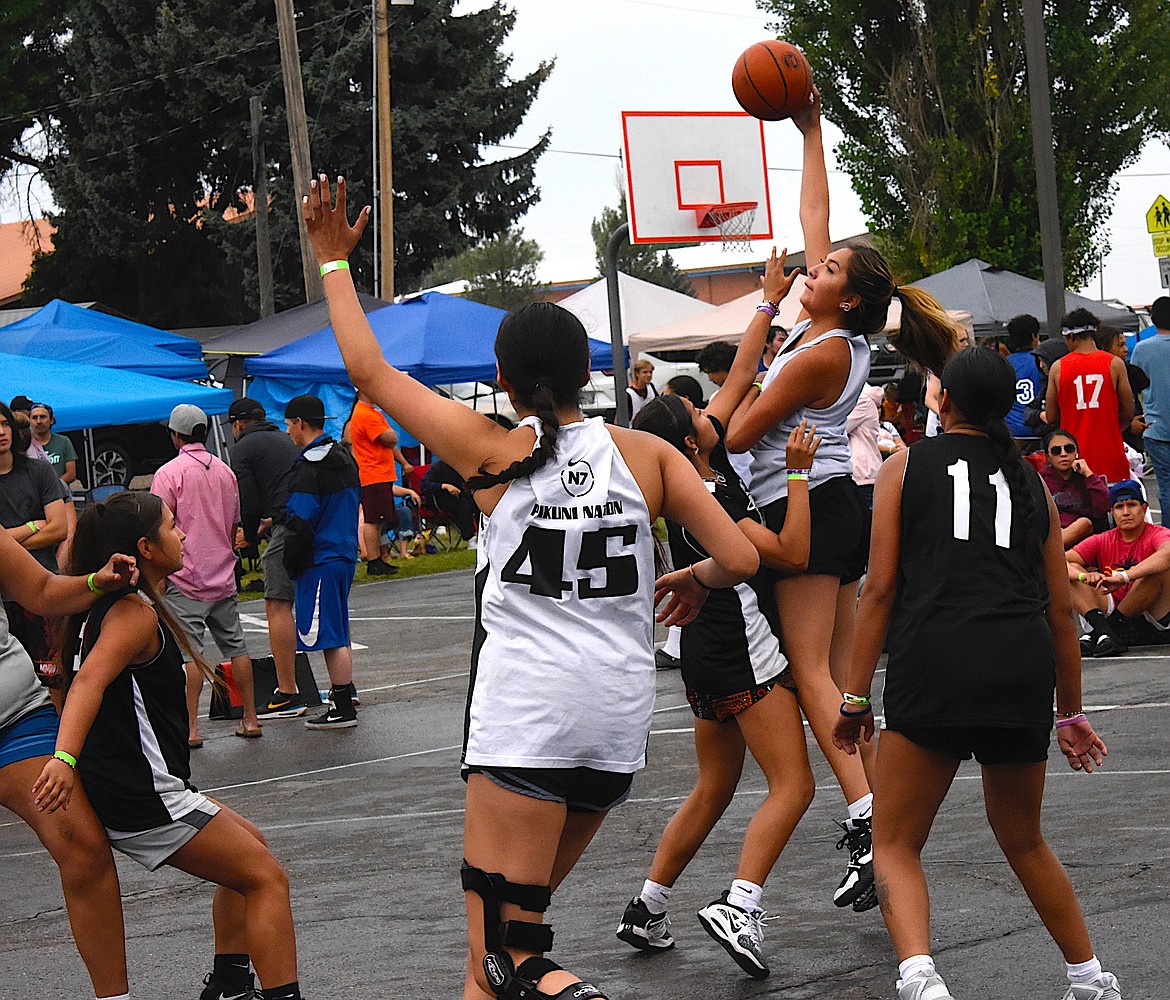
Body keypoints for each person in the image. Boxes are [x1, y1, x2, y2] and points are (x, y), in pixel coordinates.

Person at [301, 172, 759, 1000]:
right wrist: (693, 574)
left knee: (500, 956)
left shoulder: (491, 451)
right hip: (613, 723)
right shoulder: (647, 454)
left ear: (507, 379)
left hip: (527, 719)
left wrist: (334, 263)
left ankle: (565, 989)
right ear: (585, 373)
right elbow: (744, 558)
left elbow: (366, 368)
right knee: (508, 940)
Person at [724, 86, 960, 912]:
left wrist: (752, 343)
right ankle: (885, 810)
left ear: (845, 295)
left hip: (809, 505)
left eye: (821, 270)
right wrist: (812, 129)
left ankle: (866, 815)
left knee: (815, 672)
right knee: (852, 679)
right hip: (839, 505)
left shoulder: (817, 351)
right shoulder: (832, 324)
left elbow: (735, 431)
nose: (808, 266)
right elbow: (815, 213)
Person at [833, 347, 1121, 1000]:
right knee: (1024, 839)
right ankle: (1090, 976)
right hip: (1018, 665)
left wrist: (854, 696)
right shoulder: (1031, 483)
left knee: (896, 841)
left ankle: (920, 976)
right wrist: (1070, 713)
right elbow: (1057, 612)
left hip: (934, 660)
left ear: (944, 402)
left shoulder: (903, 468)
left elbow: (876, 592)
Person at [616, 254, 820, 979]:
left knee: (716, 786)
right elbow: (790, 552)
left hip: (699, 648)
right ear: (695, 436)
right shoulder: (718, 502)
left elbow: (736, 381)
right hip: (743, 647)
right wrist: (797, 472)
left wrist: (768, 304)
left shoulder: (679, 477)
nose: (714, 408)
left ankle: (647, 903)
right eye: (700, 411)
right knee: (795, 785)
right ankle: (741, 902)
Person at [33, 491, 303, 1000]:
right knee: (267, 879)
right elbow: (86, 684)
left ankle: (227, 985)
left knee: (252, 854)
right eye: (172, 526)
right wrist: (64, 760)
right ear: (146, 548)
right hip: (146, 800)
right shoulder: (132, 615)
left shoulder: (108, 607)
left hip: (142, 790)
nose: (181, 534)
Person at [0, 529, 135, 1000]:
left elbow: (39, 590)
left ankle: (114, 998)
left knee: (82, 844)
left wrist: (95, 583)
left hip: (14, 715)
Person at [151, 405, 261, 745]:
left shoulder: (169, 474)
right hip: (223, 573)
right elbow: (233, 525)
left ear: (175, 435)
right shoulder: (225, 471)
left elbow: (158, 528)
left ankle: (191, 728)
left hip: (186, 577)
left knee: (190, 655)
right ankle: (251, 718)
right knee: (237, 648)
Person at [283, 394, 362, 730]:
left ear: (300, 423)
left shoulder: (308, 466)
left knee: (329, 636)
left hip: (321, 556)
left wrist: (291, 561)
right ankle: (346, 694)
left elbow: (300, 519)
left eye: (288, 424)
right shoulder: (345, 457)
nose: (287, 431)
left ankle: (342, 704)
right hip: (344, 552)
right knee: (338, 630)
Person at [227, 397, 306, 719]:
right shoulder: (283, 439)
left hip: (285, 530)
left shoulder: (243, 448)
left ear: (238, 424)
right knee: (316, 607)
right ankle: (344, 686)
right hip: (305, 523)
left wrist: (247, 536)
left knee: (277, 603)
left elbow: (247, 498)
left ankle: (288, 690)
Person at [1067, 479, 1170, 658]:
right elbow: (1059, 562)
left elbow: (1167, 554)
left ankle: (1103, 631)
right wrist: (1085, 577)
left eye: (1132, 505)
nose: (1126, 512)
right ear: (1112, 512)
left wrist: (1124, 577)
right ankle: (1104, 631)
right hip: (1114, 609)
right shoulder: (1102, 539)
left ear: (1144, 509)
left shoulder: (1158, 533)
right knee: (1073, 572)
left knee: (1158, 569)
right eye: (1119, 507)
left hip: (1154, 616)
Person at [1045, 309, 1133, 484]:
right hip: (1110, 454)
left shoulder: (1058, 367)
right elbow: (1128, 412)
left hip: (1072, 458)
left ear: (1071, 337)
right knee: (1116, 507)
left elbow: (1052, 416)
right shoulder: (1115, 364)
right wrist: (1111, 429)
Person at [348, 388, 413, 575]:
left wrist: (403, 461)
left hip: (380, 473)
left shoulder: (373, 413)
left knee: (379, 519)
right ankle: (374, 560)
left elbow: (390, 442)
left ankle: (378, 558)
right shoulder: (365, 414)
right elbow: (389, 438)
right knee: (373, 519)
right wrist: (391, 435)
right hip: (372, 473)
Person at [1129, 297, 1170, 521]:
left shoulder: (1141, 349)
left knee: (1165, 485)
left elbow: (1133, 388)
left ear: (1152, 319)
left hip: (1155, 427)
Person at [1039, 429, 1109, 548]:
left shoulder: (1087, 478)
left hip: (1085, 540)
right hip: (1053, 534)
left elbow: (1103, 508)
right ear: (1048, 457)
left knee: (1083, 523)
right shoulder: (1040, 479)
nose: (1063, 454)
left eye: (1069, 449)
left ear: (1076, 452)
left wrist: (1088, 474)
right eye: (1056, 451)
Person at [1093, 325, 1148, 452]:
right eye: (1120, 345)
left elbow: (1143, 382)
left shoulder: (1128, 371)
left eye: (1125, 345)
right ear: (1104, 348)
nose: (1125, 350)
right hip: (1116, 442)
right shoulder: (1099, 378)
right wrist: (1128, 426)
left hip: (1134, 444)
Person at [1004, 314, 1043, 438]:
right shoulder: (1041, 361)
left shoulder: (1004, 363)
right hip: (1038, 428)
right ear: (1034, 336)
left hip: (1012, 431)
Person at [848, 383, 885, 509]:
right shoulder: (862, 400)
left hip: (862, 473)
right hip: (859, 473)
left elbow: (838, 427)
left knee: (865, 523)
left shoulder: (862, 401)